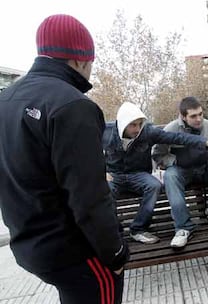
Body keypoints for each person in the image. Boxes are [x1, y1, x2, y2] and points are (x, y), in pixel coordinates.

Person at [0, 14, 130, 304]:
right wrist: (116, 253)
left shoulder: (6, 100)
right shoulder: (72, 105)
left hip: (30, 245)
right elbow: (90, 197)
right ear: (81, 59)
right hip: (76, 252)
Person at [103, 101, 208, 244]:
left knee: (154, 185)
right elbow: (85, 151)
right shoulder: (105, 131)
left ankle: (138, 229)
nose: (137, 129)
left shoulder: (147, 132)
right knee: (105, 189)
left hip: (138, 174)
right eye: (133, 125)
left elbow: (177, 137)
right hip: (114, 174)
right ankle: (115, 234)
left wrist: (204, 141)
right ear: (122, 124)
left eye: (140, 124)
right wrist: (100, 170)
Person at [152, 97, 208, 248]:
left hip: (206, 168)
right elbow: (158, 155)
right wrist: (175, 161)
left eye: (201, 114)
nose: (199, 119)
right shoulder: (171, 129)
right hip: (182, 171)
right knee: (170, 175)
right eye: (193, 116)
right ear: (183, 116)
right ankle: (183, 228)